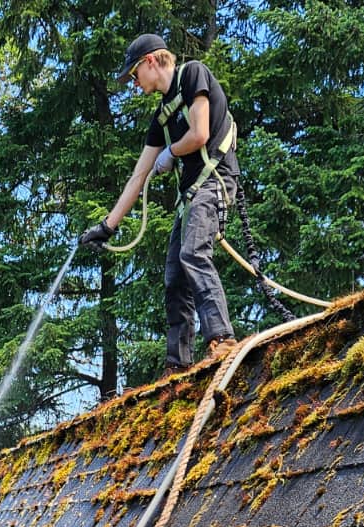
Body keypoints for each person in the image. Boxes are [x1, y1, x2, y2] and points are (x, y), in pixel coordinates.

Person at [80, 34, 240, 375]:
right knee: (174, 276)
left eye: (135, 75)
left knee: (193, 253)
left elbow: (199, 133)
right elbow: (138, 177)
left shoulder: (193, 74)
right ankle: (178, 363)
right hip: (192, 194)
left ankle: (223, 339)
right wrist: (107, 227)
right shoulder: (162, 118)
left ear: (152, 61)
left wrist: (172, 151)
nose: (134, 83)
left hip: (215, 180)